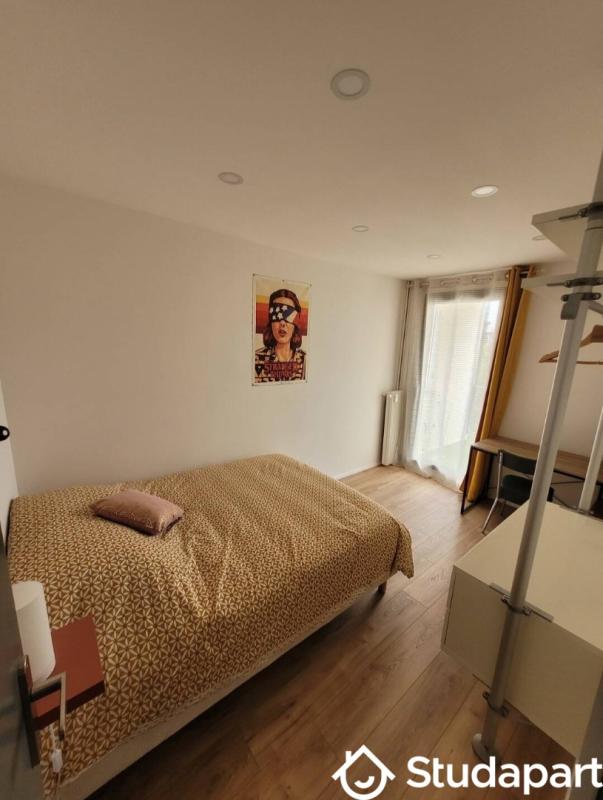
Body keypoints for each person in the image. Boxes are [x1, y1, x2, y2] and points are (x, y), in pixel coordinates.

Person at [255, 288, 306, 382]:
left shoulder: (305, 360)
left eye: (288, 316)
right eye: (277, 314)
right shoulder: (255, 359)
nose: (282, 323)